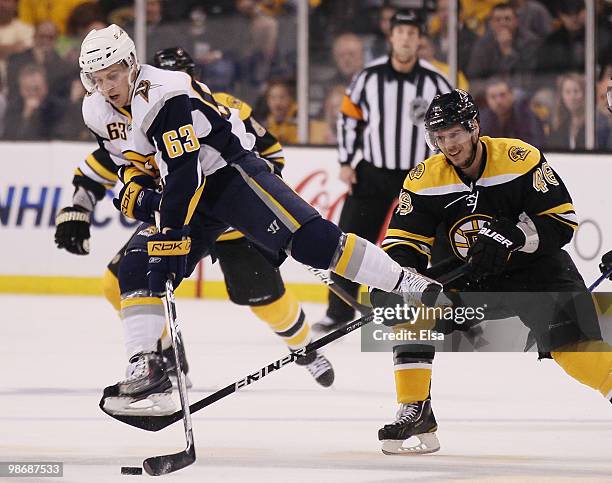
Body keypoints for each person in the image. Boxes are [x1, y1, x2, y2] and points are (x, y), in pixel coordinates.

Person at [59, 24, 444, 416]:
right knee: (136, 267)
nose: (107, 86)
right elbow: (129, 162)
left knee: (314, 244)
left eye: (113, 75)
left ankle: (405, 281)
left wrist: (168, 231)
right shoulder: (96, 108)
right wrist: (138, 193)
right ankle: (149, 369)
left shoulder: (166, 93)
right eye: (98, 79)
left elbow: (184, 174)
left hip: (229, 176)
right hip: (186, 193)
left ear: (131, 65)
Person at [55, 45, 336, 388]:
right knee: (122, 278)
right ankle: (164, 356)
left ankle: (304, 348)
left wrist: (254, 203)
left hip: (235, 223)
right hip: (178, 213)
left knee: (267, 301)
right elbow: (101, 167)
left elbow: (270, 155)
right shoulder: (134, 115)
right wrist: (78, 207)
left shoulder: (224, 108)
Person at [374, 89, 612, 455]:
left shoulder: (519, 158)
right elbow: (404, 241)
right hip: (473, 273)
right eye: (440, 137)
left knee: (576, 351)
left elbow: (561, 222)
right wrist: (399, 276)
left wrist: (515, 236)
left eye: (454, 133)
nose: (448, 145)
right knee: (408, 306)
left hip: (536, 271)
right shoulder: (425, 178)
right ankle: (416, 408)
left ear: (473, 129)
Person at [314, 10, 452, 333]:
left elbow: (449, 126)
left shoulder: (436, 81)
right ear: (391, 38)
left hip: (421, 176)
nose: (405, 38)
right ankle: (339, 310)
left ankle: (452, 309)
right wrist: (347, 162)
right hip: (373, 172)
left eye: (412, 33)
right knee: (349, 238)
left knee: (441, 241)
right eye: (400, 32)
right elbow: (349, 118)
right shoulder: (368, 77)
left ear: (420, 39)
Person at [479, 76, 545, 146]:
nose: (498, 101)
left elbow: (537, 145)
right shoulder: (482, 120)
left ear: (511, 95)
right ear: (487, 99)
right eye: (493, 97)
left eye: (502, 95)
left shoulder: (527, 117)